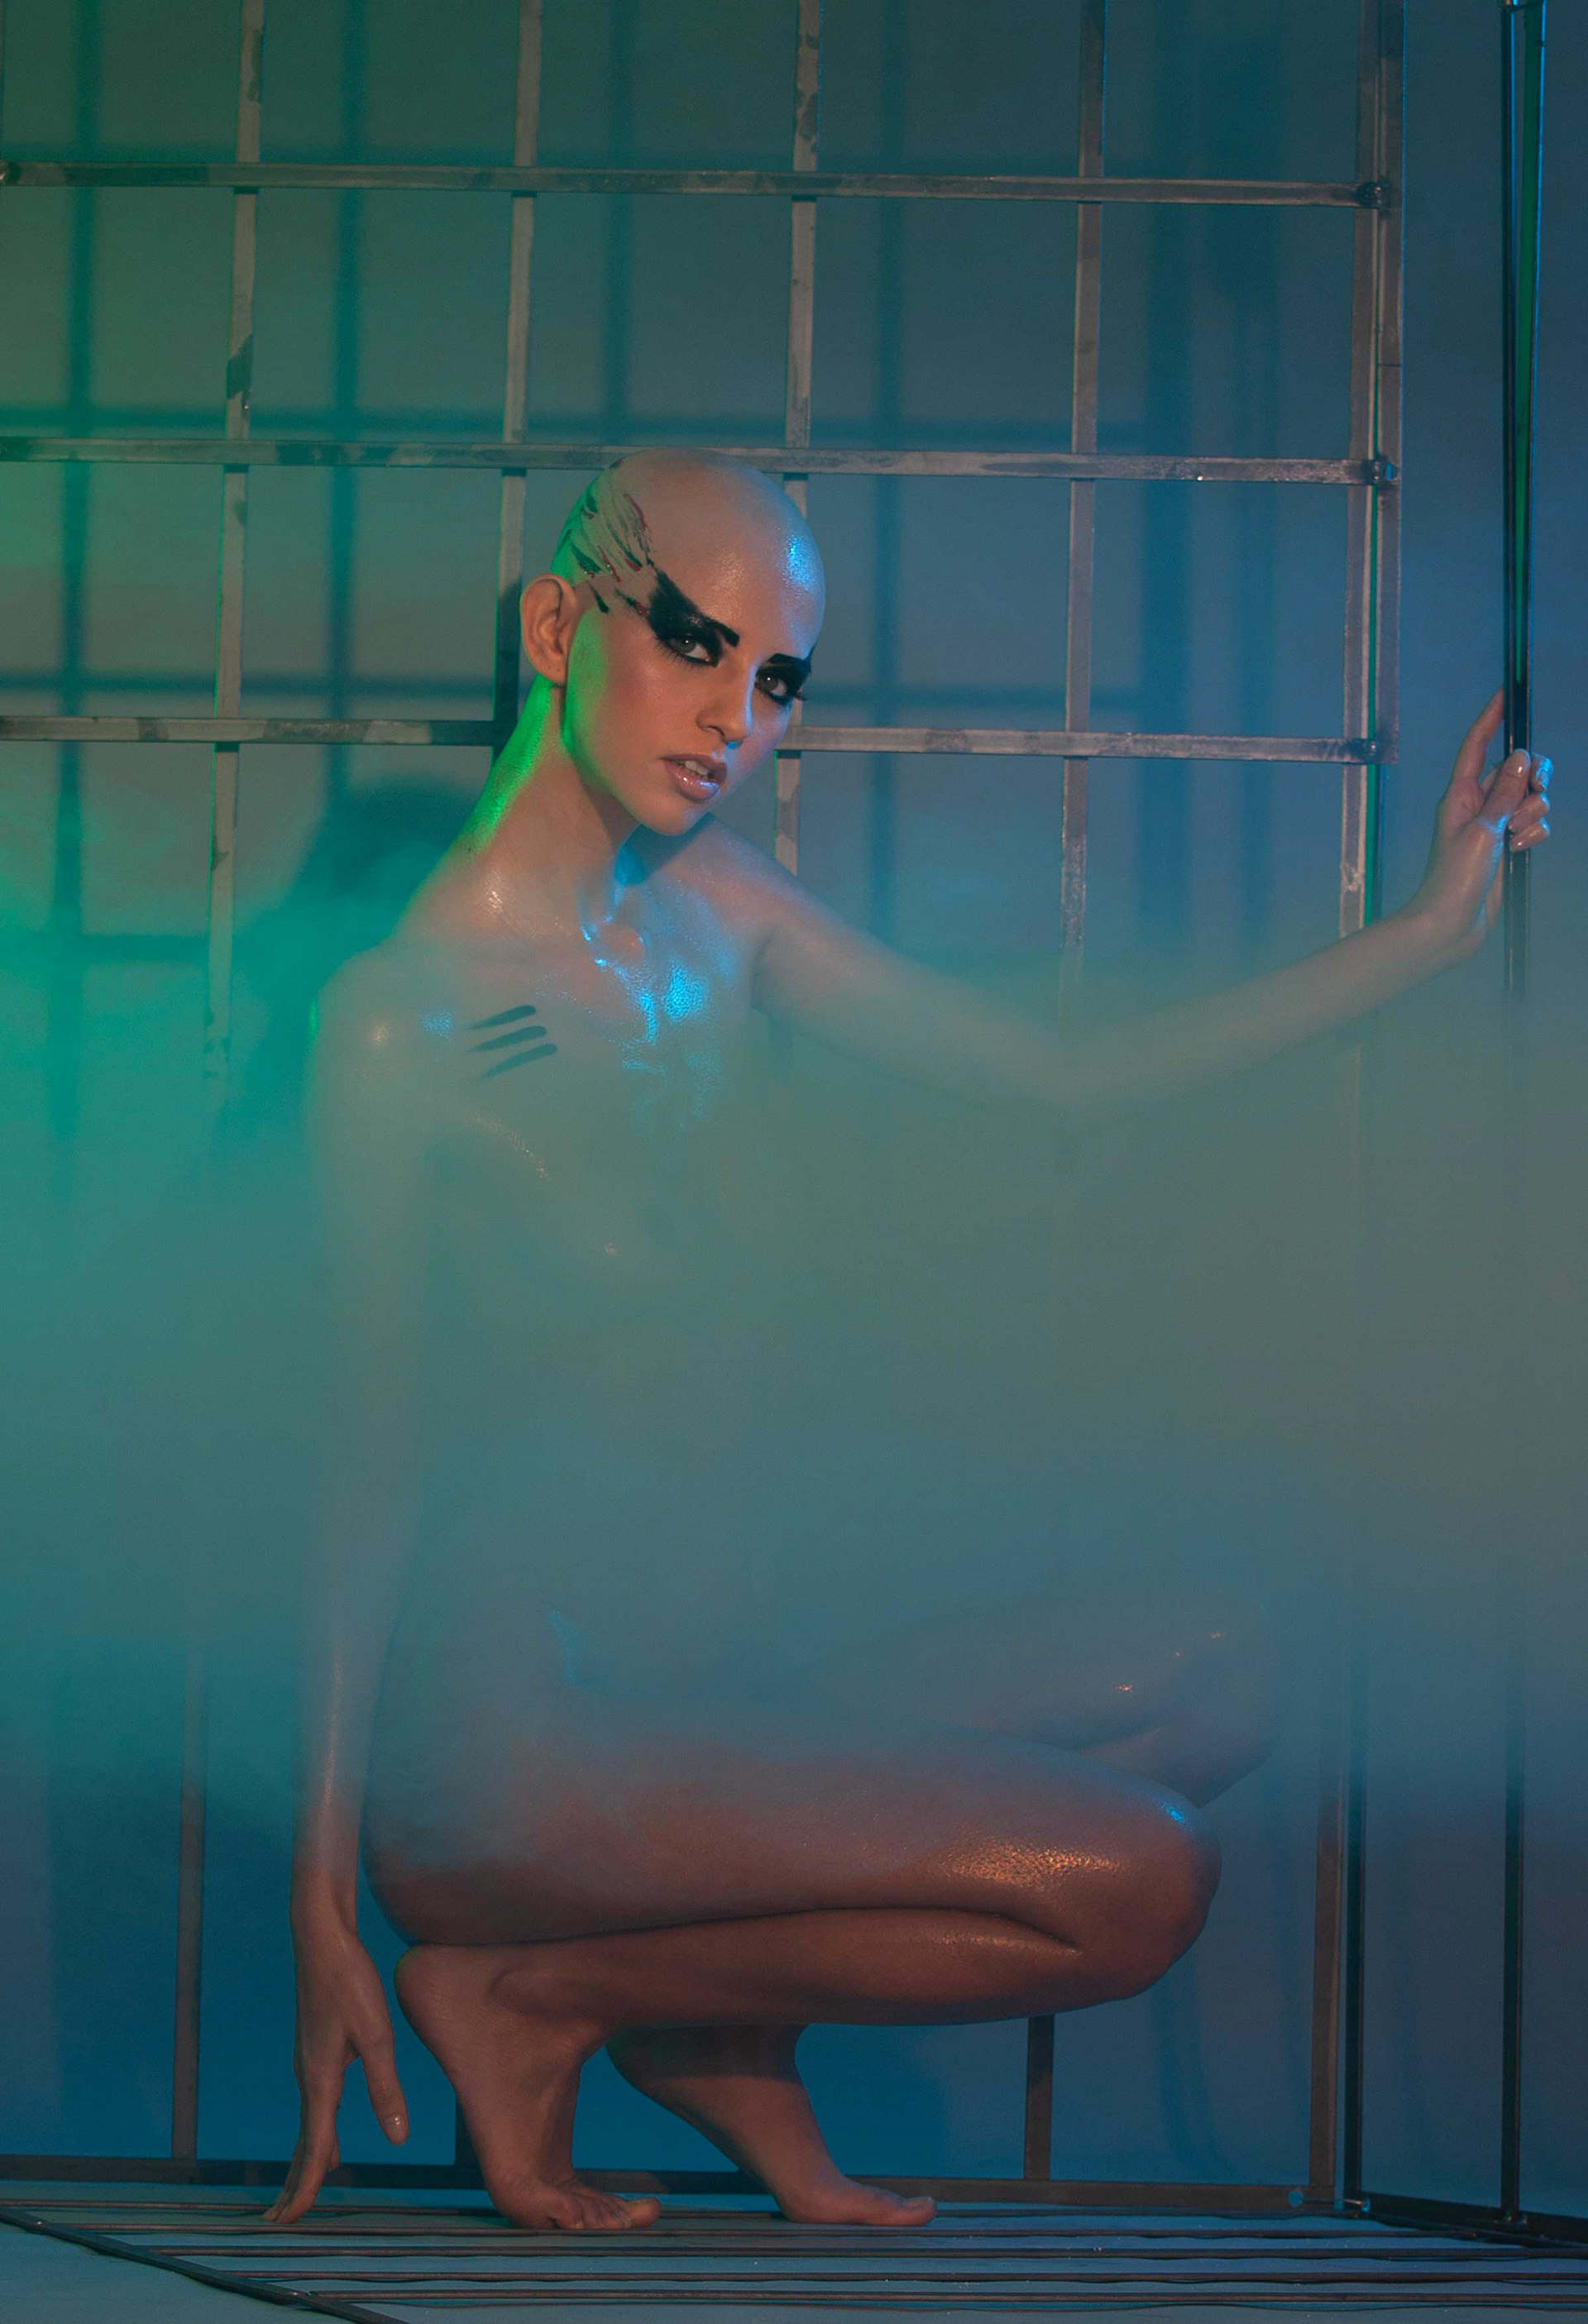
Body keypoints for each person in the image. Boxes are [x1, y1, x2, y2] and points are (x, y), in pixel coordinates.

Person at [265, 450, 1549, 2235]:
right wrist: (322, 1896)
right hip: (514, 1735)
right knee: (1141, 1879)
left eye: (777, 677)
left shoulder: (716, 907)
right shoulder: (396, 1028)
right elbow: (359, 1463)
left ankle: (665, 2006)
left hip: (706, 1685)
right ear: (558, 625)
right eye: (693, 642)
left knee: (1219, 1672)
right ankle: (539, 1987)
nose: (733, 715)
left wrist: (1418, 942)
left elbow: (1062, 1083)